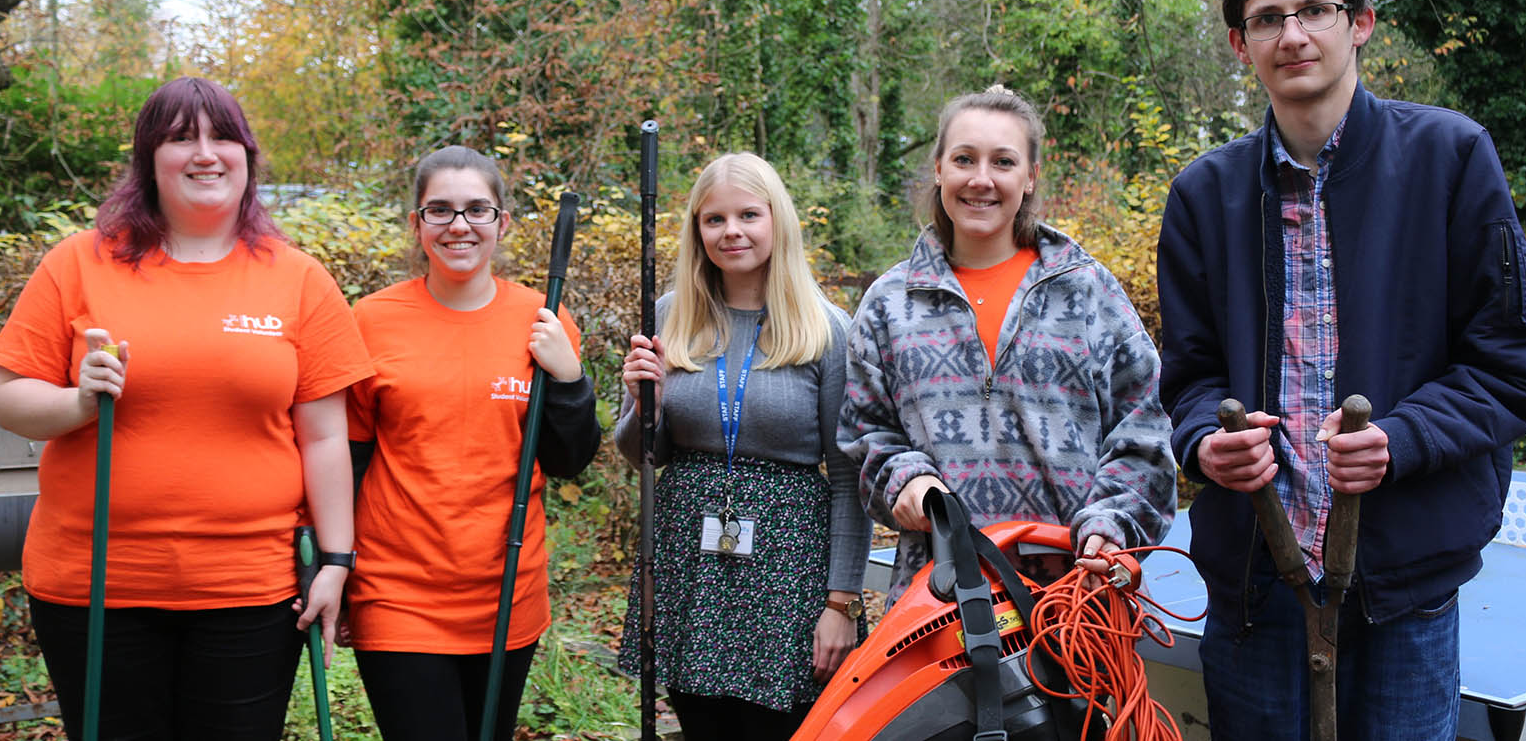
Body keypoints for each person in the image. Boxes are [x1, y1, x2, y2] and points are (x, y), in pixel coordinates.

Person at [1156, 0, 1526, 738]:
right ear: (1241, 43)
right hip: (1253, 584)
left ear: (1361, 23)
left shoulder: (1451, 158)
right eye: (1266, 18)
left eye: (1314, 10)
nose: (1292, 36)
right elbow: (1186, 377)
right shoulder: (1204, 194)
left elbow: (1510, 366)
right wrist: (1205, 443)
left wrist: (1400, 440)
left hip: (1403, 576)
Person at [0, 76, 372, 740]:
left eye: (223, 136)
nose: (205, 153)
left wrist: (337, 561)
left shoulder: (297, 278)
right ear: (147, 161)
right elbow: (9, 399)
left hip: (249, 588)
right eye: (180, 137)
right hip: (95, 585)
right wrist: (79, 400)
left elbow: (326, 436)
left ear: (247, 157)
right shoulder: (79, 264)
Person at [839, 85, 1178, 605]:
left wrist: (1113, 524)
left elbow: (1146, 431)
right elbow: (866, 435)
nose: (981, 179)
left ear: (1030, 177)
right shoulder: (889, 303)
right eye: (964, 159)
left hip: (1075, 604)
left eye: (1003, 161)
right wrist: (902, 480)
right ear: (938, 169)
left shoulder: (1088, 291)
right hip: (935, 604)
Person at [342, 146, 602, 741]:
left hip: (507, 589)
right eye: (440, 210)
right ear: (417, 224)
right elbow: (348, 458)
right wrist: (336, 564)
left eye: (476, 210)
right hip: (397, 591)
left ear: (501, 222)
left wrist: (569, 379)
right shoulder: (371, 320)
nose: (459, 225)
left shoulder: (543, 318)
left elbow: (568, 460)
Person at [617, 152, 872, 739]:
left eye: (748, 215)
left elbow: (846, 477)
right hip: (691, 563)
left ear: (776, 221)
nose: (731, 231)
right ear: (697, 230)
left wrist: (841, 605)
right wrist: (640, 398)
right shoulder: (671, 316)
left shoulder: (825, 328)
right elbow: (640, 452)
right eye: (714, 219)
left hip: (789, 567)